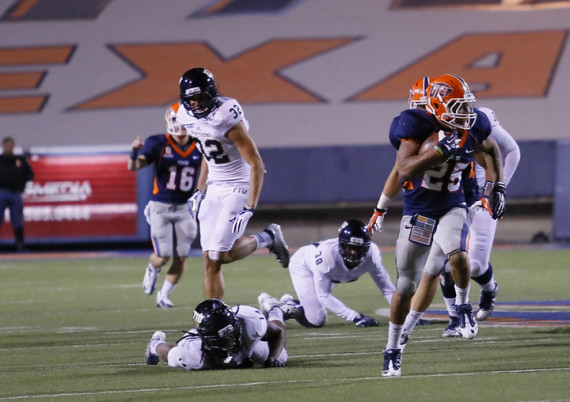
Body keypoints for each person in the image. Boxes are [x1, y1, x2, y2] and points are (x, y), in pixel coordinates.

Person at [367, 74, 505, 377]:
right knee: (406, 285)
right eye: (457, 107)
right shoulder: (415, 127)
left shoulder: (473, 127)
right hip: (419, 212)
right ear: (438, 106)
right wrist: (381, 208)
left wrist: (497, 187)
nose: (465, 114)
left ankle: (464, 307)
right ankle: (392, 349)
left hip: (452, 206)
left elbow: (493, 149)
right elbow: (402, 170)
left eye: (466, 106)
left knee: (458, 254)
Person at [400, 105, 520, 339]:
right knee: (439, 264)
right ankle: (455, 318)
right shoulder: (424, 126)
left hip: (479, 193)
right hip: (451, 194)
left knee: (472, 265)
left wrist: (497, 189)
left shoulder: (477, 119)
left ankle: (488, 288)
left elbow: (509, 150)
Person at [176, 67, 290, 300]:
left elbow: (257, 164)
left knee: (221, 254)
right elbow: (208, 153)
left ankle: (267, 237)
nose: (196, 103)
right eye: (192, 99)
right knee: (210, 259)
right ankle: (214, 314)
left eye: (201, 97)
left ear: (212, 92)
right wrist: (200, 189)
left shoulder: (226, 117)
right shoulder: (184, 116)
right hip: (214, 186)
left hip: (238, 185)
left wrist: (250, 207)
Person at [128, 102, 202, 308]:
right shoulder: (159, 142)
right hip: (161, 205)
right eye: (178, 119)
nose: (181, 125)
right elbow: (135, 166)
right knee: (163, 256)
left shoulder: (200, 142)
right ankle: (153, 268)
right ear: (169, 120)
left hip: (185, 206)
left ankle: (164, 295)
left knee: (182, 256)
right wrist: (134, 153)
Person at [258, 219, 395, 328]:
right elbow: (323, 295)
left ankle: (288, 303)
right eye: (350, 248)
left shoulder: (372, 256)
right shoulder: (327, 257)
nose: (353, 253)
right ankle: (275, 306)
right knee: (316, 320)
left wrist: (405, 315)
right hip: (304, 266)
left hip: (329, 274)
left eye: (358, 249)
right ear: (341, 245)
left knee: (315, 313)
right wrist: (355, 317)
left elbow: (387, 289)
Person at [145, 298, 288, 369]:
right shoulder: (195, 354)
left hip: (246, 345)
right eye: (223, 338)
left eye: (231, 333)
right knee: (171, 355)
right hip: (208, 355)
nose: (230, 340)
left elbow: (278, 333)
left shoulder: (249, 322)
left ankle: (275, 310)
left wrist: (273, 358)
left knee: (282, 356)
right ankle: (155, 344)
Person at [0, 136, 34, 252]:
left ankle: (20, 245)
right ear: (3, 145)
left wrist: (21, 184)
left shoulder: (19, 160)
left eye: (11, 144)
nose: (9, 147)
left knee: (17, 219)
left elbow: (30, 175)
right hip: (1, 192)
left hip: (15, 193)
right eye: (7, 144)